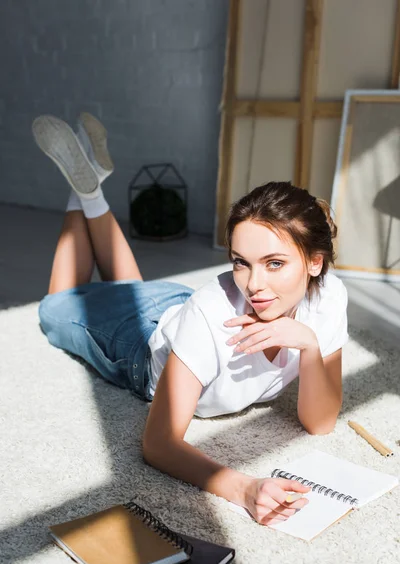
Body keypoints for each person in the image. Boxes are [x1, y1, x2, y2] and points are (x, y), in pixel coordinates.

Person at [33, 113, 348, 527]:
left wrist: (308, 344)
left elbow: (321, 423)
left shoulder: (328, 297)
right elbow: (159, 442)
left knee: (131, 287)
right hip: (141, 340)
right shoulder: (210, 312)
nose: (254, 285)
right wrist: (244, 489)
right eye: (241, 263)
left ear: (314, 262)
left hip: (178, 308)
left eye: (274, 263)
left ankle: (89, 189)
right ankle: (85, 194)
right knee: (55, 304)